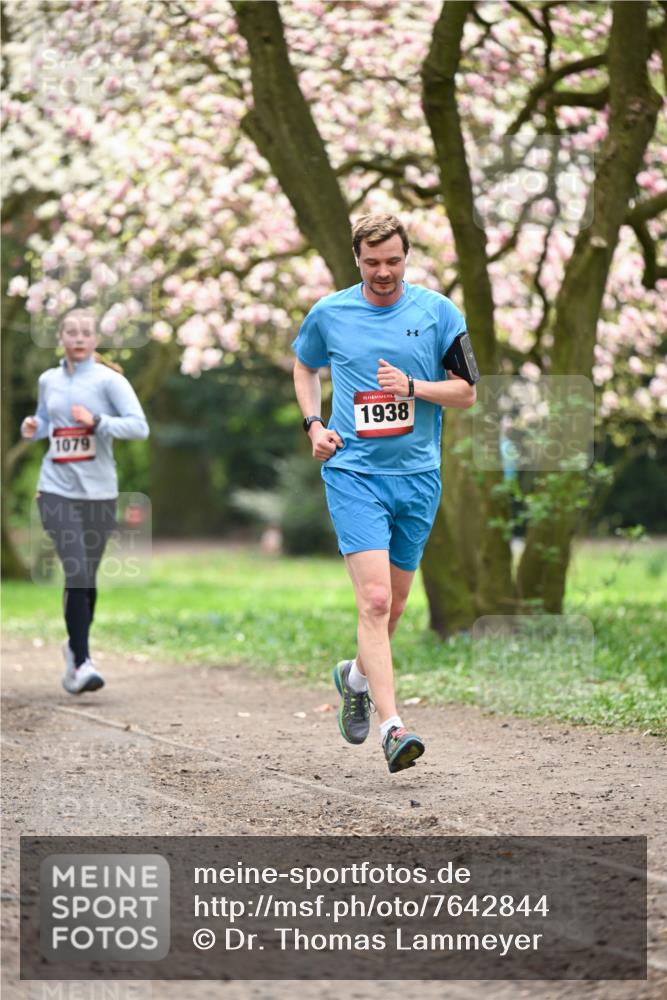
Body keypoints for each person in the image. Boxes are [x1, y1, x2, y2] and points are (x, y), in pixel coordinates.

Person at [292, 213, 479, 773]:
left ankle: (354, 677)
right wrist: (313, 425)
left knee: (394, 607)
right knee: (374, 602)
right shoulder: (331, 313)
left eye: (393, 261)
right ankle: (393, 727)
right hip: (353, 473)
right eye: (372, 262)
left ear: (406, 256)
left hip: (418, 477)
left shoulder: (438, 313)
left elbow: (468, 393)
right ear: (357, 259)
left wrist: (414, 388)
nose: (383, 272)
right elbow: (305, 368)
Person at [21, 308, 149, 694]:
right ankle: (82, 661)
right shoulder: (49, 380)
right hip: (55, 488)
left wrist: (97, 421)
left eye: (85, 333)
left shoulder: (110, 381)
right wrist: (34, 427)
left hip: (99, 493)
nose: (78, 338)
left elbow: (139, 427)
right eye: (71, 332)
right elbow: (47, 421)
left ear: (95, 340)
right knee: (75, 569)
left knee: (86, 579)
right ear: (61, 336)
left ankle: (73, 650)